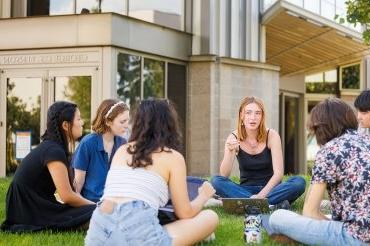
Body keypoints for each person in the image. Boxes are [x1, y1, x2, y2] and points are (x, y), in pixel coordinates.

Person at [268, 98, 370, 245]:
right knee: (329, 216)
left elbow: (310, 213)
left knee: (278, 217)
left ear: (319, 127)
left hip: (363, 240)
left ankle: (297, 236)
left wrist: (326, 226)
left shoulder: (329, 151)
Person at [85, 99, 218, 245]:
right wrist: (203, 196)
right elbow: (184, 213)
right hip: (138, 231)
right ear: (169, 124)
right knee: (210, 216)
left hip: (98, 231)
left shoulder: (122, 151)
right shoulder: (173, 157)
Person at [1, 101, 95, 232]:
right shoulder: (53, 150)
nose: (82, 123)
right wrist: (96, 206)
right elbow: (67, 196)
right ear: (66, 125)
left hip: (33, 205)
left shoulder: (52, 146)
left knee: (91, 212)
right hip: (28, 209)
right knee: (96, 213)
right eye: (78, 119)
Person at [211, 96, 305, 206]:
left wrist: (261, 196)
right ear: (241, 115)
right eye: (248, 113)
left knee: (299, 182)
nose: (253, 117)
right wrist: (231, 152)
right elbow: (224, 175)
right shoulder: (233, 137)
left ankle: (250, 204)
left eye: (257, 113)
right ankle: (271, 204)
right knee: (216, 181)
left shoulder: (272, 136)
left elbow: (278, 174)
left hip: (272, 189)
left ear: (262, 116)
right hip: (245, 190)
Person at [72, 99, 129, 202]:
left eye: (127, 120)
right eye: (122, 121)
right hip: (89, 206)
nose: (126, 125)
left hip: (115, 206)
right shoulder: (88, 143)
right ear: (108, 121)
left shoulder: (123, 144)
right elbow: (77, 189)